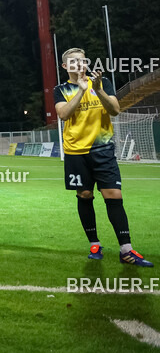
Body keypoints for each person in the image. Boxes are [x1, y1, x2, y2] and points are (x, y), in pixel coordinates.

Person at [55, 48, 152, 266]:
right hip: (76, 152)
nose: (79, 64)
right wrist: (80, 90)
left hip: (103, 150)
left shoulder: (103, 83)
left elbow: (115, 110)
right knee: (85, 195)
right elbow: (63, 114)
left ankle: (126, 250)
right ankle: (94, 244)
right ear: (65, 67)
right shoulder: (60, 90)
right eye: (73, 62)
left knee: (114, 195)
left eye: (82, 61)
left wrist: (97, 90)